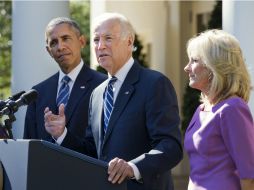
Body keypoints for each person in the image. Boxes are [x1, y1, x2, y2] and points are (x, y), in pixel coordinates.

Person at [44, 12, 183, 190]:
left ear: (129, 42)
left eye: (108, 38)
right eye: (96, 40)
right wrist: (61, 134)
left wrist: (133, 168)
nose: (100, 46)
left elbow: (171, 147)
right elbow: (92, 152)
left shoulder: (154, 84)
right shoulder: (97, 93)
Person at [184, 29, 254, 190]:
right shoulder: (201, 109)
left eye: (194, 61)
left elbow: (249, 176)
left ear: (213, 67)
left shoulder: (232, 109)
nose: (186, 68)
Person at [23, 17, 107, 144]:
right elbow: (29, 145)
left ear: (82, 42)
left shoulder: (103, 85)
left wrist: (62, 135)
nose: (60, 47)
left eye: (66, 39)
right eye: (53, 42)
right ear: (49, 51)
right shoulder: (37, 93)